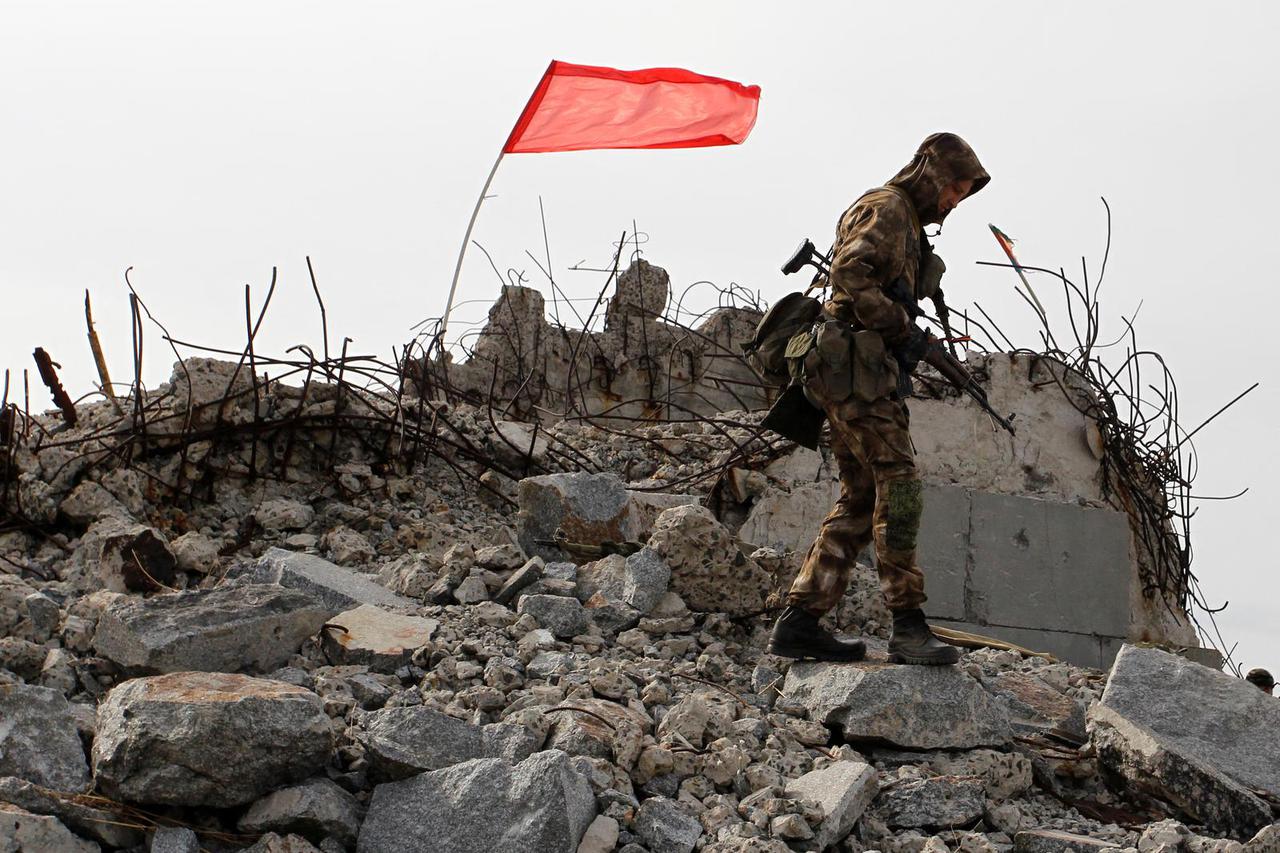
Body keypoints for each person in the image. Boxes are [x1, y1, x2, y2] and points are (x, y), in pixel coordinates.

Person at [767, 132, 990, 666]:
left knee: (864, 495)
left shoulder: (907, 222)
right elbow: (849, 273)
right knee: (900, 486)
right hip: (852, 368)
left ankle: (801, 621)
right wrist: (903, 330)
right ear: (931, 174)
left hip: (861, 369)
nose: (954, 202)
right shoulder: (888, 208)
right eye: (954, 188)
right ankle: (908, 624)